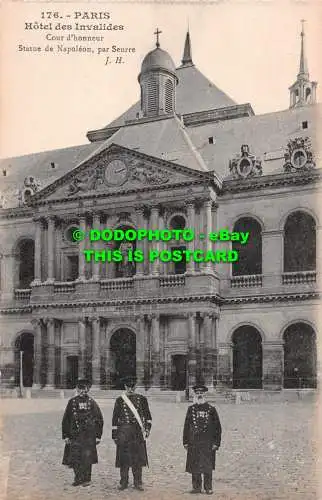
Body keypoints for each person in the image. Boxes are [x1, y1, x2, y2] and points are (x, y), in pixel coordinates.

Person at [112, 376, 152, 491]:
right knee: (124, 458)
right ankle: (123, 482)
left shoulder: (142, 399)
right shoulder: (120, 400)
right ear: (125, 387)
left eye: (132, 387)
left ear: (136, 387)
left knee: (137, 459)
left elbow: (148, 417)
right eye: (128, 387)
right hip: (123, 431)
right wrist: (115, 434)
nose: (130, 389)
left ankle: (138, 482)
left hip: (137, 432)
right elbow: (115, 418)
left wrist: (147, 429)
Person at [62, 378, 104, 487]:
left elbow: (99, 419)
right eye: (80, 389)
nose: (82, 391)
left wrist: (98, 436)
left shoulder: (92, 402)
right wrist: (65, 435)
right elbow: (66, 419)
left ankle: (86, 478)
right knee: (75, 457)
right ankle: (78, 478)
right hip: (74, 434)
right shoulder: (72, 402)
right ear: (77, 389)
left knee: (87, 458)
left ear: (88, 390)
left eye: (84, 389)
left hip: (88, 435)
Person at [183, 383, 222, 495]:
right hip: (194, 441)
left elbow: (217, 428)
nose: (199, 395)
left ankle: (208, 487)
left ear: (205, 394)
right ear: (195, 394)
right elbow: (186, 426)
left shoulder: (211, 409)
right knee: (194, 464)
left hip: (207, 442)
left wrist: (216, 443)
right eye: (197, 393)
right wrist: (185, 441)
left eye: (201, 393)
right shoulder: (191, 409)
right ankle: (196, 487)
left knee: (207, 465)